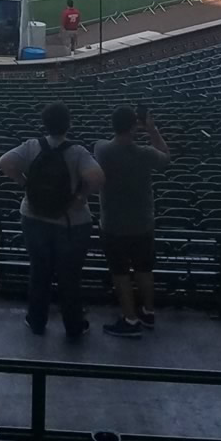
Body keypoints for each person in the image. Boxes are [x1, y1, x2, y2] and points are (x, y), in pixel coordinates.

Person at [0, 103, 103, 338]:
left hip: (33, 217)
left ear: (44, 124)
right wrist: (80, 197)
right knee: (70, 276)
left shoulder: (32, 146)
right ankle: (74, 326)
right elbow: (97, 177)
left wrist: (25, 184)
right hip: (71, 223)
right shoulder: (77, 152)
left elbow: (4, 162)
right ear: (69, 124)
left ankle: (36, 321)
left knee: (39, 272)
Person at [96, 105, 169, 339]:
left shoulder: (102, 150)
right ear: (134, 126)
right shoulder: (146, 153)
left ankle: (130, 319)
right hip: (143, 222)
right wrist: (152, 130)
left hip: (113, 224)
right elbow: (166, 158)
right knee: (144, 269)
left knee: (120, 273)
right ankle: (148, 312)